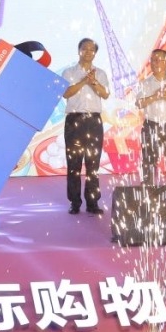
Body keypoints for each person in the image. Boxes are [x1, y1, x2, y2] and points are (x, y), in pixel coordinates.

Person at [61, 38, 110, 215]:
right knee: (74, 163)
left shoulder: (101, 73)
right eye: (85, 48)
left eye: (91, 49)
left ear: (95, 53)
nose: (88, 52)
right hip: (74, 120)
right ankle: (74, 202)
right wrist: (83, 81)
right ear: (79, 51)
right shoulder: (69, 72)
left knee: (93, 163)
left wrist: (94, 82)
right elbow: (65, 93)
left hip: (94, 121)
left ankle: (92, 202)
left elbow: (105, 94)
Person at [134, 49, 166, 186]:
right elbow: (138, 103)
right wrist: (155, 96)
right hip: (151, 126)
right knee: (148, 161)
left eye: (159, 60)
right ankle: (148, 191)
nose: (155, 63)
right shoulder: (145, 83)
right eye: (153, 60)